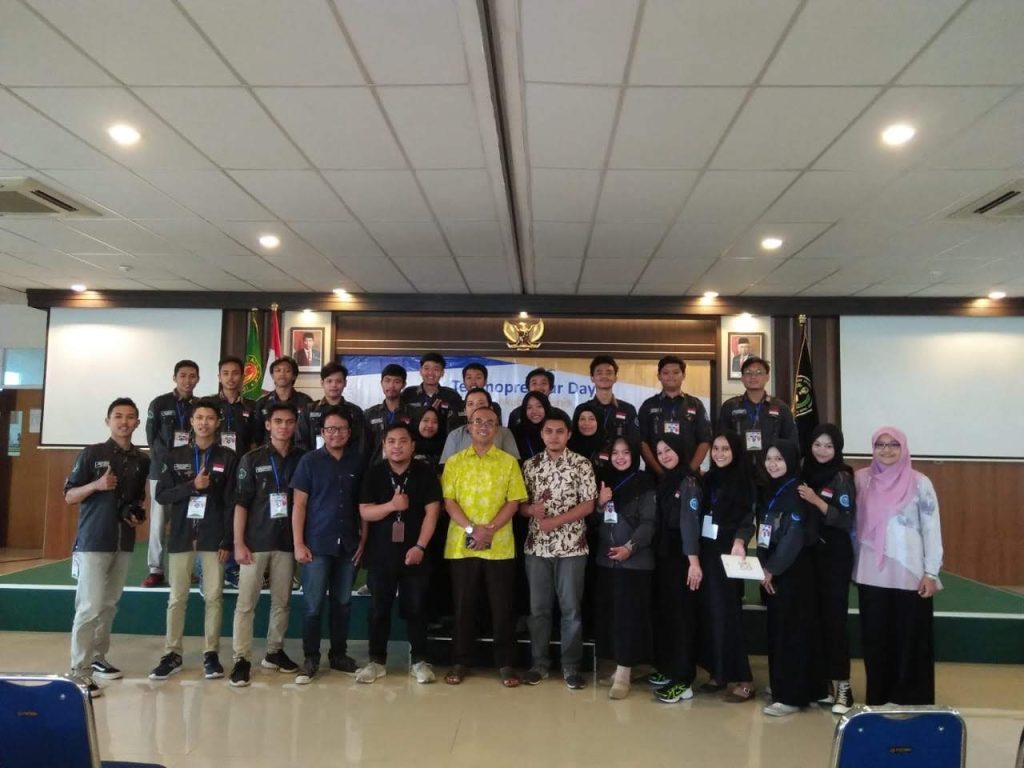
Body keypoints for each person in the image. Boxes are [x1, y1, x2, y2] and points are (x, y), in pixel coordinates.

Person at [64, 398, 149, 697]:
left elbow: (136, 499)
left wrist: (136, 515)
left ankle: (98, 658)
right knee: (89, 606)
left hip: (123, 541)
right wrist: (96, 486)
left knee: (109, 604)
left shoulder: (142, 460)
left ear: (137, 422)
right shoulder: (92, 454)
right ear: (108, 421)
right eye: (118, 416)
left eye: (130, 417)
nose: (124, 422)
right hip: (94, 540)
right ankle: (78, 671)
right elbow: (69, 496)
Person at [149, 398, 238, 681]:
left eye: (209, 418)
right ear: (191, 422)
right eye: (199, 418)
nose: (204, 423)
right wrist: (192, 486)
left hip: (214, 537)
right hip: (181, 535)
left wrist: (228, 540)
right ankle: (172, 653)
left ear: (217, 423)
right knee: (177, 598)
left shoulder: (228, 457)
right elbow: (162, 495)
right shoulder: (173, 456)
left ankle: (211, 654)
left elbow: (231, 502)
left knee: (214, 597)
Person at [854, 426, 942, 706]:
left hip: (910, 573)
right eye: (880, 444)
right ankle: (879, 698)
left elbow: (931, 528)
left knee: (911, 640)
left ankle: (910, 698)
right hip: (871, 572)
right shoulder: (861, 480)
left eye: (893, 444)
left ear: (903, 448)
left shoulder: (920, 482)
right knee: (876, 639)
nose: (887, 450)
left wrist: (931, 572)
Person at [441, 405, 528, 687]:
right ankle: (459, 661)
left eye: (490, 422)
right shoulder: (455, 462)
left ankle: (506, 663)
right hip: (461, 545)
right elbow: (449, 502)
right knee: (463, 605)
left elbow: (513, 502)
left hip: (499, 545)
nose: (483, 426)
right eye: (478, 421)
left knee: (502, 607)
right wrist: (472, 529)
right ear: (469, 427)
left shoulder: (508, 462)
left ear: (497, 428)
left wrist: (488, 531)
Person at [356, 423, 442, 685]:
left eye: (403, 441)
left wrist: (420, 546)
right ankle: (376, 661)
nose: (397, 446)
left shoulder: (425, 472)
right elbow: (365, 511)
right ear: (384, 445)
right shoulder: (375, 473)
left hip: (416, 553)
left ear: (413, 446)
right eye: (391, 441)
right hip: (381, 554)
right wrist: (391, 506)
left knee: (416, 608)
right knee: (378, 609)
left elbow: (432, 512)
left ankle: (419, 661)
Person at [228, 401, 305, 687]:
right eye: (278, 422)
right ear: (268, 425)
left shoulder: (303, 459)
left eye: (289, 422)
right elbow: (241, 504)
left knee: (282, 602)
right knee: (246, 603)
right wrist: (238, 543)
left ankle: (274, 651)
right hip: (255, 542)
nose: (284, 427)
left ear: (295, 425)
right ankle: (241, 658)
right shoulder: (251, 459)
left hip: (286, 543)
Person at [519, 413, 597, 690]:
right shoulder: (529, 466)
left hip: (572, 548)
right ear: (542, 435)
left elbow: (588, 505)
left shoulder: (581, 464)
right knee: (538, 610)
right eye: (549, 431)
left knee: (571, 610)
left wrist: (556, 521)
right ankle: (539, 664)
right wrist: (531, 510)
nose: (554, 436)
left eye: (559, 431)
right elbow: (518, 505)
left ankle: (571, 667)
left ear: (569, 434)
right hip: (537, 548)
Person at [290, 408, 366, 684]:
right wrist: (298, 543)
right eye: (331, 429)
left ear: (349, 432)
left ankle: (338, 655)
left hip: (349, 545)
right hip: (316, 545)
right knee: (313, 605)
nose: (336, 434)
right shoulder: (309, 461)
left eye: (341, 428)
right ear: (322, 433)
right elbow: (299, 505)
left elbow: (364, 505)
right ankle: (311, 658)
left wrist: (363, 541)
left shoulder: (359, 461)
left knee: (343, 603)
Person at [758, 440, 823, 716]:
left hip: (792, 571)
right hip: (776, 569)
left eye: (779, 459)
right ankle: (788, 686)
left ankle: (791, 696)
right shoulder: (772, 489)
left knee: (791, 631)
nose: (773, 464)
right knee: (781, 629)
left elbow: (793, 538)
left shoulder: (796, 492)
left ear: (791, 461)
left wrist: (771, 569)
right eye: (769, 458)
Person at [797, 423, 857, 714]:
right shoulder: (804, 471)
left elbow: (845, 519)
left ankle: (844, 687)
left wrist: (816, 501)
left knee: (834, 621)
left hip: (834, 557)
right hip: (809, 555)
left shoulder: (842, 476)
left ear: (837, 448)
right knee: (813, 619)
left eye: (829, 446)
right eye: (817, 444)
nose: (822, 450)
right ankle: (822, 685)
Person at [594, 436, 657, 700]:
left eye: (626, 452)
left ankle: (624, 673)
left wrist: (630, 548)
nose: (620, 457)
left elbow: (649, 523)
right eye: (615, 453)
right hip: (607, 561)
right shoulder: (605, 482)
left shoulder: (644, 482)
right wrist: (600, 504)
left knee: (628, 618)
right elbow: (596, 521)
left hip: (634, 562)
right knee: (613, 616)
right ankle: (618, 664)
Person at [697, 432, 755, 704]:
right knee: (710, 614)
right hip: (707, 553)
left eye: (726, 449)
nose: (719, 454)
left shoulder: (744, 480)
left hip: (730, 554)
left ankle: (744, 680)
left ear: (736, 451)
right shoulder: (708, 479)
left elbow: (748, 518)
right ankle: (718, 674)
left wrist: (740, 541)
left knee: (728, 615)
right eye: (716, 449)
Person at [649, 434, 703, 704]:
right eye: (659, 452)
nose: (664, 456)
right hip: (665, 557)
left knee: (683, 620)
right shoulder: (666, 481)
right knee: (668, 615)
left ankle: (684, 680)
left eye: (668, 450)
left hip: (683, 559)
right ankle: (670, 669)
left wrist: (693, 562)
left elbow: (689, 523)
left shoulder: (688, 481)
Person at [142, 359, 199, 587]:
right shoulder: (159, 403)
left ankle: (186, 568)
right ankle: (155, 569)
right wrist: (169, 462)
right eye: (183, 375)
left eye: (192, 376)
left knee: (187, 521)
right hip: (162, 471)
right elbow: (151, 437)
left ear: (198, 379)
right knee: (158, 522)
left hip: (190, 472)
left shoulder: (200, 405)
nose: (187, 380)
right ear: (174, 377)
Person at [717, 356, 798, 487]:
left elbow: (791, 443)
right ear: (742, 378)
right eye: (748, 373)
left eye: (759, 372)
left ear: (767, 377)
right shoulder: (730, 406)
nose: (753, 376)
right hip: (737, 474)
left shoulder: (781, 408)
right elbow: (720, 441)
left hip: (772, 473)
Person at [638, 355, 711, 477]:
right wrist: (660, 473)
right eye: (666, 373)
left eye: (676, 372)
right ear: (659, 376)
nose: (671, 376)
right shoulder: (648, 405)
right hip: (656, 477)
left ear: (684, 375)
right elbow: (642, 442)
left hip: (688, 477)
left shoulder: (695, 404)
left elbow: (705, 441)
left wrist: (689, 471)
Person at [298, 362, 365, 453]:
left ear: (345, 383)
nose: (334, 385)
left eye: (338, 381)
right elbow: (301, 443)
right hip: (314, 460)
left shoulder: (355, 411)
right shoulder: (309, 410)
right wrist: (310, 459)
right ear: (322, 383)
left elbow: (361, 444)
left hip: (347, 460)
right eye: (329, 381)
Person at [440, 388, 519, 463]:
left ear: (490, 408)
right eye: (470, 404)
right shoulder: (454, 435)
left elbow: (514, 464)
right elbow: (446, 467)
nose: (475, 407)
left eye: (481, 403)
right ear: (465, 411)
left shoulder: (504, 433)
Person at [572, 355, 638, 440]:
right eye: (599, 373)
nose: (604, 376)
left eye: (609, 373)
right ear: (592, 378)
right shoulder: (581, 409)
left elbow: (635, 441)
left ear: (615, 378)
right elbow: (574, 441)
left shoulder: (628, 409)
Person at [253, 356, 313, 446]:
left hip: (298, 450)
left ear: (294, 376)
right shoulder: (262, 403)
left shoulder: (305, 401)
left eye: (287, 371)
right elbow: (256, 435)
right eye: (278, 370)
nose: (282, 374)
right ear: (272, 375)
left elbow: (310, 431)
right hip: (268, 450)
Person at [401, 352, 464, 434]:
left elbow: (458, 425)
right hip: (413, 441)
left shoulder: (452, 396)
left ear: (442, 373)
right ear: (420, 371)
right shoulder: (408, 393)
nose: (430, 373)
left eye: (436, 369)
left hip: (443, 441)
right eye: (427, 368)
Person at [364, 363, 412, 464]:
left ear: (404, 385)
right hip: (376, 468)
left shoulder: (412, 413)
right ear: (381, 383)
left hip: (405, 468)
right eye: (387, 380)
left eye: (397, 381)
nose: (391, 386)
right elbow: (364, 447)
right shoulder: (369, 414)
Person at [211, 355, 257, 454]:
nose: (230, 378)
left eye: (235, 373)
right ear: (219, 377)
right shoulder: (208, 403)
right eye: (225, 373)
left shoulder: (251, 405)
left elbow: (254, 439)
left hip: (242, 458)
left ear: (242, 377)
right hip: (213, 457)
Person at [453, 362, 502, 427]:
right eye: (469, 378)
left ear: (485, 381)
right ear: (464, 382)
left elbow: (497, 429)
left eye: (478, 378)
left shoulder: (495, 407)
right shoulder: (456, 407)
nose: (473, 382)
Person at [511, 391, 551, 462]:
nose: (534, 411)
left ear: (546, 408)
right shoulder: (517, 432)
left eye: (539, 406)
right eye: (529, 407)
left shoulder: (555, 430)